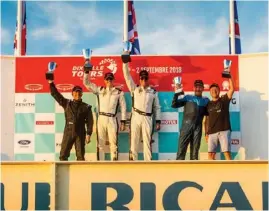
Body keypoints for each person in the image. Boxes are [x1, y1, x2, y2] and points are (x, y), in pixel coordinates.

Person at [122, 57, 161, 161]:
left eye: (145, 78)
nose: (144, 80)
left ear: (148, 79)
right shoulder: (134, 89)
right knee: (134, 141)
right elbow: (127, 76)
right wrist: (125, 63)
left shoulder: (153, 92)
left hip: (147, 118)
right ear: (139, 79)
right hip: (136, 116)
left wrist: (158, 121)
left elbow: (157, 107)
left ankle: (148, 163)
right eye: (142, 78)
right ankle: (133, 162)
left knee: (147, 142)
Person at [83, 70, 127, 161]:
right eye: (107, 79)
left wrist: (123, 121)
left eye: (110, 79)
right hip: (101, 118)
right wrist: (86, 72)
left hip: (112, 119)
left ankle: (114, 163)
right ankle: (100, 164)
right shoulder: (99, 90)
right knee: (100, 143)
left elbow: (123, 107)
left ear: (113, 80)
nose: (109, 81)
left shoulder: (119, 92)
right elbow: (86, 83)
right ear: (104, 80)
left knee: (113, 143)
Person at [49, 80, 93, 161]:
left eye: (79, 93)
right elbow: (55, 94)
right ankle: (63, 173)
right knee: (63, 155)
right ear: (72, 94)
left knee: (80, 157)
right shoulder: (66, 103)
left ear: (82, 94)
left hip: (80, 132)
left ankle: (80, 173)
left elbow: (90, 122)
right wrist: (51, 83)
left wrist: (89, 134)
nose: (77, 94)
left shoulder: (86, 107)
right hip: (68, 131)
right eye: (76, 92)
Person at [171, 80, 209, 160]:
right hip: (186, 127)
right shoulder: (187, 97)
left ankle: (194, 171)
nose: (198, 89)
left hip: (198, 128)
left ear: (203, 88)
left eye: (200, 87)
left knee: (195, 153)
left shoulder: (206, 100)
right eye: (196, 87)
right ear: (193, 88)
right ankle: (179, 170)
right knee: (181, 150)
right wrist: (177, 92)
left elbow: (210, 114)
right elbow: (174, 104)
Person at [204, 76, 234, 160]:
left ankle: (231, 172)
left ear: (219, 91)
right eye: (212, 90)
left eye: (215, 89)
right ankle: (212, 172)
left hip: (224, 130)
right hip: (211, 132)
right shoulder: (208, 104)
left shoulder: (224, 99)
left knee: (227, 153)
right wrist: (206, 133)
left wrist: (229, 76)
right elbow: (206, 120)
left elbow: (231, 89)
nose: (214, 91)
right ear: (210, 92)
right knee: (210, 155)